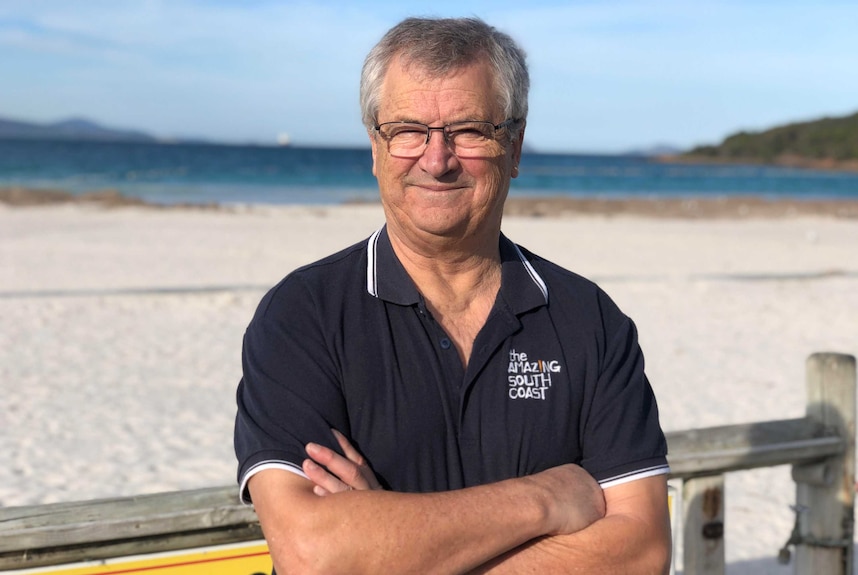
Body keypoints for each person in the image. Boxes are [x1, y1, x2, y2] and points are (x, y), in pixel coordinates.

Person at [234, 16, 671, 574]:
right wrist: (542, 500)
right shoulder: (303, 315)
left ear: (513, 146)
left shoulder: (591, 322)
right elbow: (313, 554)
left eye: (469, 130)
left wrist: (387, 542)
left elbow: (641, 554)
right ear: (375, 147)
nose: (436, 160)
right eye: (407, 130)